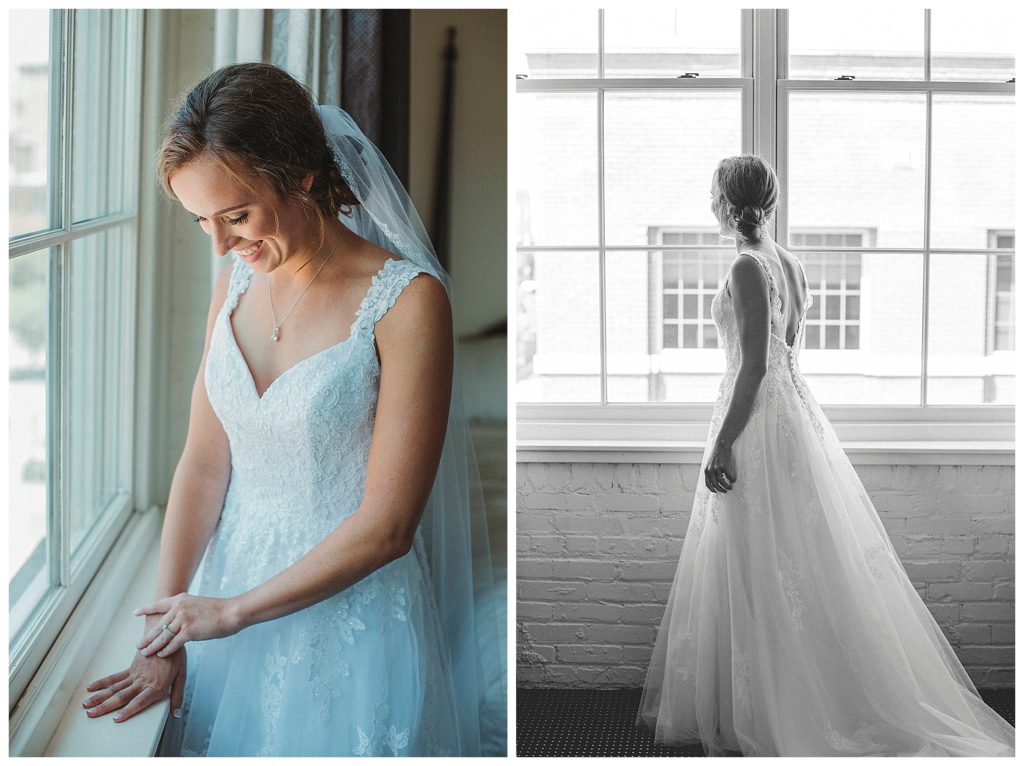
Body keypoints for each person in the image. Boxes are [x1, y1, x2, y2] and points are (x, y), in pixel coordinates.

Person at [81, 63, 505, 756]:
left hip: (343, 626)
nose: (221, 246)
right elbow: (204, 461)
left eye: (237, 215)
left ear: (302, 174)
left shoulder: (408, 303)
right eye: (201, 222)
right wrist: (166, 630)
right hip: (220, 601)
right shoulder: (232, 285)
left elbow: (388, 527)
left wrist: (231, 614)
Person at [637, 155, 1014, 756]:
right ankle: (782, 689)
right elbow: (788, 356)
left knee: (762, 558)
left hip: (758, 421)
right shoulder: (791, 263)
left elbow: (756, 365)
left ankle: (781, 705)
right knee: (792, 557)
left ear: (724, 201)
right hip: (793, 420)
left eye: (712, 193)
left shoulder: (745, 264)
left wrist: (724, 441)